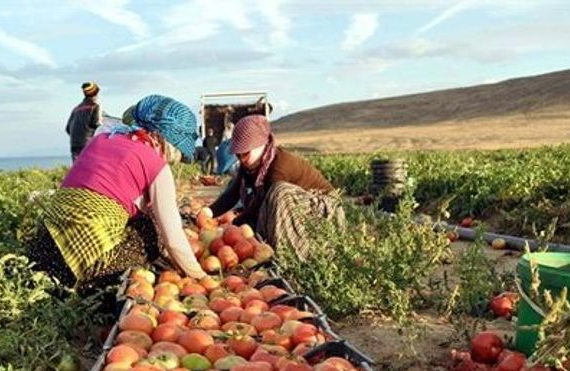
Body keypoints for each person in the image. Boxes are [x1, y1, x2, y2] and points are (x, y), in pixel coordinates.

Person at [30, 94, 207, 291]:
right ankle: (94, 284)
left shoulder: (101, 140)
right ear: (169, 141)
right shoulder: (155, 164)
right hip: (88, 266)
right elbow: (173, 240)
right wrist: (201, 278)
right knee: (154, 230)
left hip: (45, 249)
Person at [206, 114, 344, 256]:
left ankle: (295, 253)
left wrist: (234, 226)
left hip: (321, 211)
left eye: (245, 154)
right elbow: (232, 194)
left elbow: (262, 204)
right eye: (238, 155)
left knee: (278, 192)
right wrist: (208, 212)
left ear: (261, 145)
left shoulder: (279, 165)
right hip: (295, 207)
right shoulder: (250, 165)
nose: (241, 159)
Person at [65, 81, 102, 161]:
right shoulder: (95, 106)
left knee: (77, 168)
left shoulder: (76, 109)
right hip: (87, 144)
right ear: (95, 94)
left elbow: (68, 129)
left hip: (74, 144)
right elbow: (96, 124)